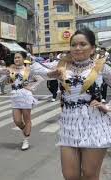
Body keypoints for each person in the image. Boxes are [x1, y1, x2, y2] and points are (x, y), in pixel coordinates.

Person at [32, 28, 111, 180]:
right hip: (69, 125)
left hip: (95, 125)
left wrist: (107, 107)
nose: (77, 48)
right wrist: (51, 74)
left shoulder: (101, 67)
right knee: (70, 176)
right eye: (74, 45)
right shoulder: (62, 65)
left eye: (83, 44)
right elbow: (34, 68)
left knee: (89, 175)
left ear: (92, 48)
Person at [5, 52, 42, 150]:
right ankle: (26, 131)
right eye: (15, 58)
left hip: (25, 96)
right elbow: (7, 81)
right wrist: (8, 79)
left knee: (27, 119)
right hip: (15, 96)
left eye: (18, 57)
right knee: (17, 121)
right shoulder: (11, 70)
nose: (16, 59)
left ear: (23, 59)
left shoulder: (28, 70)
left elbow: (39, 79)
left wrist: (31, 87)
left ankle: (26, 140)